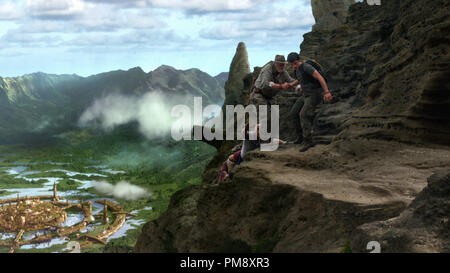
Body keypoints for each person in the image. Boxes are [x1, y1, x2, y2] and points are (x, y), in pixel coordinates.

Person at [286, 52, 333, 152]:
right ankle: (300, 138)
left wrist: (327, 92)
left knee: (303, 114)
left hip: (314, 94)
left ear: (299, 60)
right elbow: (300, 79)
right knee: (293, 113)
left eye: (295, 63)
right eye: (291, 64)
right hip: (305, 95)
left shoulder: (306, 67)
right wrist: (291, 84)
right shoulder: (297, 70)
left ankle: (308, 141)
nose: (294, 66)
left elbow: (319, 77)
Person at [218, 124, 286, 184]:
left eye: (262, 129)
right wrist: (248, 125)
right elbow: (244, 133)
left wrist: (285, 142)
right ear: (255, 130)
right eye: (258, 129)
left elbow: (274, 140)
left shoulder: (264, 137)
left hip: (246, 157)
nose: (260, 131)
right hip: (236, 160)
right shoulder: (251, 134)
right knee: (230, 177)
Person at [249, 55, 297, 125]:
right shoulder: (267, 69)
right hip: (259, 95)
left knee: (276, 117)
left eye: (283, 64)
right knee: (265, 116)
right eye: (280, 64)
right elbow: (265, 84)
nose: (282, 66)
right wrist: (281, 86)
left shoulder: (283, 72)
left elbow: (291, 80)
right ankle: (255, 132)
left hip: (270, 97)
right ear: (275, 63)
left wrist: (299, 84)